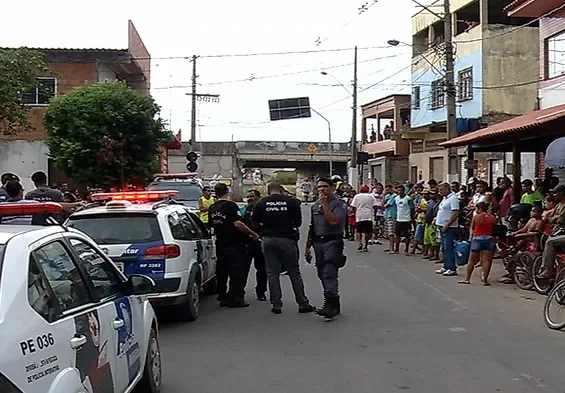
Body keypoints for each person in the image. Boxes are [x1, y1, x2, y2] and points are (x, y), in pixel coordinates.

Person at [252, 182, 315, 314]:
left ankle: (276, 304)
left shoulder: (261, 203)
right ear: (281, 190)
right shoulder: (292, 202)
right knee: (294, 272)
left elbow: (255, 224)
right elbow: (298, 222)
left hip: (268, 239)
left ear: (268, 191)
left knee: (272, 273)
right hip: (287, 239)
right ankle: (302, 303)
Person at [208, 183, 259, 308]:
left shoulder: (213, 207)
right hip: (234, 243)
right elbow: (237, 223)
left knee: (222, 271)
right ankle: (236, 298)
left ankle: (222, 296)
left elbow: (211, 225)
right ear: (227, 191)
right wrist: (253, 234)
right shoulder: (231, 206)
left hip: (220, 243)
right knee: (236, 272)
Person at [305, 178, 347, 319]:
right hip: (318, 243)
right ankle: (329, 301)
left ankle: (332, 304)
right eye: (319, 187)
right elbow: (313, 226)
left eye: (325, 186)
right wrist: (307, 247)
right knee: (321, 272)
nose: (321, 189)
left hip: (332, 241)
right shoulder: (315, 206)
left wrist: (325, 205)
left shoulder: (339, 204)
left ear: (332, 188)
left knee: (329, 272)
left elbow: (334, 221)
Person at [458, 202, 495, 286]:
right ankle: (485, 279)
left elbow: (473, 227)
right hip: (488, 238)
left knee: (471, 260)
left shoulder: (476, 217)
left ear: (480, 209)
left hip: (478, 238)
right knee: (487, 261)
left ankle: (467, 279)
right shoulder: (492, 217)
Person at [240, 189, 268, 301]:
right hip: (246, 243)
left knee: (262, 269)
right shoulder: (244, 210)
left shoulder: (264, 210)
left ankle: (261, 292)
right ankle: (240, 291)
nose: (250, 198)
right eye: (248, 196)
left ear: (258, 197)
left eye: (252, 196)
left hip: (261, 242)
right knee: (243, 269)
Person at [539, 185, 565, 279]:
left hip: (562, 231)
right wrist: (554, 218)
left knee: (551, 241)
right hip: (558, 230)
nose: (554, 195)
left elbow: (561, 220)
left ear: (561, 193)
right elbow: (550, 218)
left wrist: (553, 218)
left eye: (556, 193)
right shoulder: (559, 205)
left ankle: (548, 269)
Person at [435, 182, 460, 277]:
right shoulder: (445, 199)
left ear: (447, 189)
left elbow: (455, 213)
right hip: (441, 225)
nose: (440, 192)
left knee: (448, 247)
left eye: (441, 190)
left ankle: (452, 268)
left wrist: (447, 224)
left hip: (449, 227)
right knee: (444, 247)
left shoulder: (453, 199)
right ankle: (446, 266)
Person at [350, 185, 376, 252]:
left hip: (359, 215)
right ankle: (366, 245)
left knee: (359, 231)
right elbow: (375, 206)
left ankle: (360, 243)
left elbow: (353, 206)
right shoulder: (371, 196)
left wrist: (355, 212)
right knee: (367, 231)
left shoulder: (357, 196)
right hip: (368, 215)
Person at [390, 184, 414, 255]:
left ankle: (406, 249)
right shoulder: (396, 198)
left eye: (400, 190)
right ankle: (396, 249)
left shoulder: (408, 199)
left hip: (406, 219)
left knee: (407, 235)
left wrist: (411, 217)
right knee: (397, 235)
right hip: (398, 219)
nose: (399, 192)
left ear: (404, 191)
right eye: (398, 190)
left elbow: (412, 208)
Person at [383, 184, 397, 253]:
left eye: (388, 189)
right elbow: (383, 204)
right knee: (388, 232)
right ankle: (390, 246)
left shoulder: (394, 196)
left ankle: (392, 248)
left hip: (392, 215)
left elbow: (387, 205)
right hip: (386, 215)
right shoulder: (387, 196)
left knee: (391, 232)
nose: (387, 191)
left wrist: (384, 205)